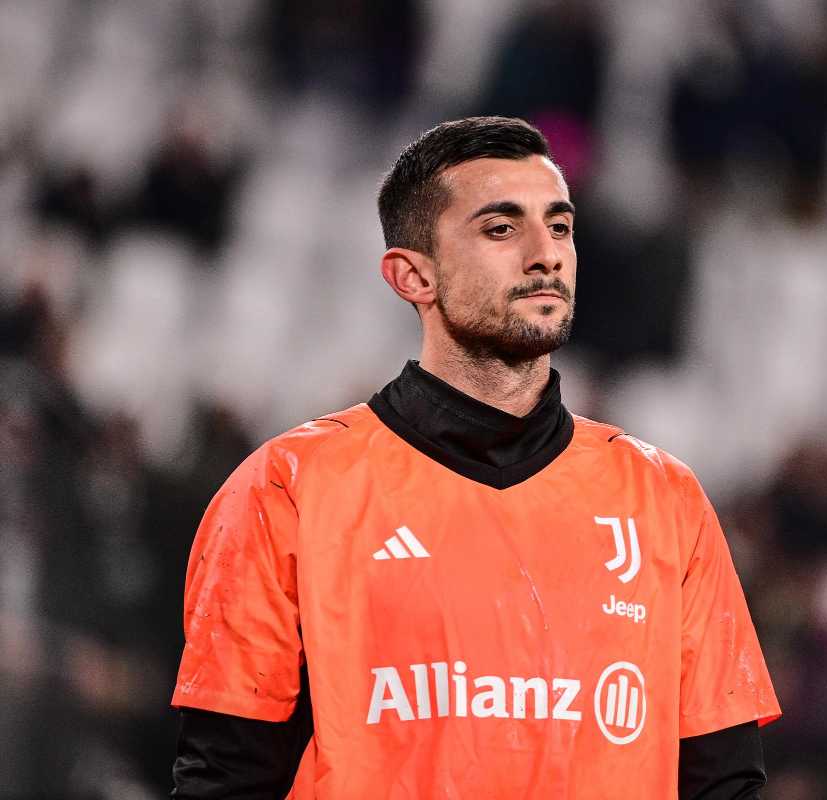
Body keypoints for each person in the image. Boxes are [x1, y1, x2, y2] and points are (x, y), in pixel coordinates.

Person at [170, 116, 781, 798]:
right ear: (413, 276)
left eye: (559, 226)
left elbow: (724, 784)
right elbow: (225, 779)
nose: (546, 255)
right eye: (501, 228)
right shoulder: (287, 489)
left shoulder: (664, 500)